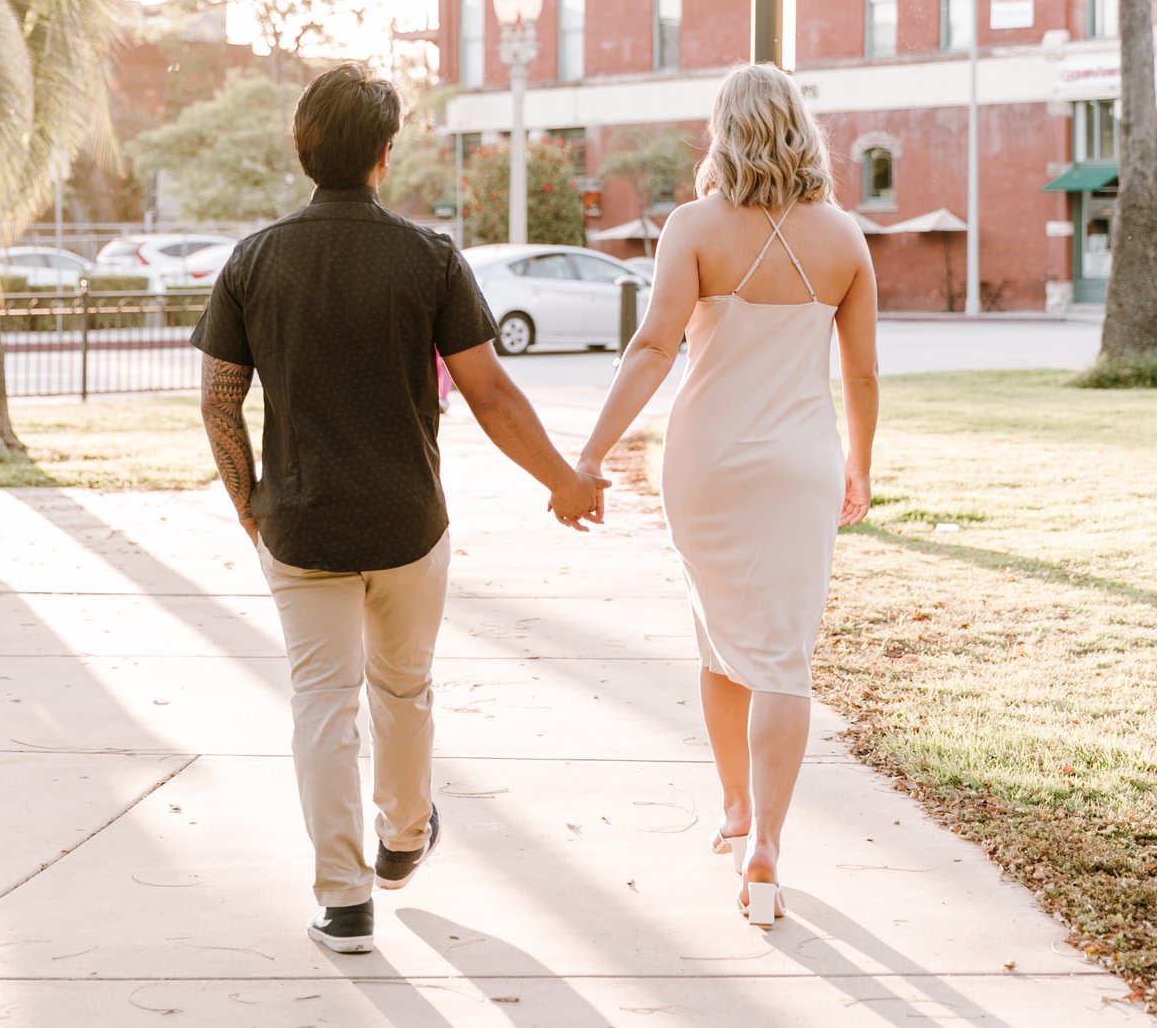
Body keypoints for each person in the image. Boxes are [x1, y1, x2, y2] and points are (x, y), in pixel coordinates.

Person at [193, 63, 608, 955]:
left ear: (303, 148)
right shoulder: (430, 257)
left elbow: (219, 400)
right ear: (385, 154)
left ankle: (344, 903)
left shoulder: (254, 259)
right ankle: (405, 835)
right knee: (403, 688)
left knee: (320, 704)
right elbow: (491, 392)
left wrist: (247, 501)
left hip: (298, 524)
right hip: (410, 525)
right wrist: (563, 480)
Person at [571, 63, 879, 926]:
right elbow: (862, 370)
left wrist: (593, 452)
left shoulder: (694, 225)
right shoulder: (846, 237)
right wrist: (861, 462)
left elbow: (651, 348)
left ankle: (739, 807)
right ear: (800, 129)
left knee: (717, 640)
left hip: (704, 464)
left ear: (725, 130)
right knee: (778, 651)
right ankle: (765, 840)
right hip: (801, 466)